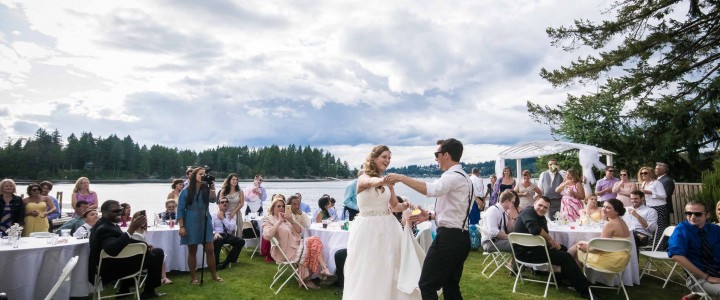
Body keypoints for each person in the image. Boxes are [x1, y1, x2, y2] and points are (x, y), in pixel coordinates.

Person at [388, 138, 472, 300]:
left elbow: (432, 190)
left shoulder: (452, 176)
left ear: (446, 155)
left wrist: (401, 178)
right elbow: (456, 210)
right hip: (462, 238)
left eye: (437, 154)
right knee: (450, 285)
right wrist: (431, 215)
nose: (435, 158)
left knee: (426, 284)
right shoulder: (465, 177)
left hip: (448, 239)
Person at [343, 144, 417, 299]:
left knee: (390, 266)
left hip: (389, 227)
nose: (387, 160)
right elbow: (370, 183)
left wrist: (406, 205)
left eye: (389, 158)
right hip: (368, 228)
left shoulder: (387, 181)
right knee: (369, 268)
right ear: (374, 158)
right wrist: (385, 180)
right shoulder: (363, 177)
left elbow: (395, 206)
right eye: (384, 157)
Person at [513, 196, 591, 298]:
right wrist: (550, 240)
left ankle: (561, 278)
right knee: (565, 257)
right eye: (540, 205)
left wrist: (554, 244)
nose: (542, 208)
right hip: (525, 253)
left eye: (545, 207)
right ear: (534, 203)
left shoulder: (542, 218)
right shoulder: (527, 211)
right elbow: (534, 230)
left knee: (563, 248)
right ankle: (586, 291)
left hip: (535, 250)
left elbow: (542, 237)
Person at [88, 200, 166, 298]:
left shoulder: (107, 224)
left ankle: (124, 290)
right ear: (104, 212)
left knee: (149, 252)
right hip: (108, 270)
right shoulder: (104, 228)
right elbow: (112, 249)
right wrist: (131, 230)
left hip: (113, 263)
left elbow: (122, 241)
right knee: (158, 253)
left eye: (120, 210)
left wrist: (144, 245)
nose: (119, 213)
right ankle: (149, 291)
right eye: (115, 211)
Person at [262, 197, 335, 289]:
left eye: (283, 206)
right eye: (278, 206)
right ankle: (309, 278)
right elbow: (267, 236)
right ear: (273, 208)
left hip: (296, 246)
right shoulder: (269, 220)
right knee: (313, 245)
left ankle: (323, 270)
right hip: (285, 252)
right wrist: (279, 221)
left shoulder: (286, 219)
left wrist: (291, 221)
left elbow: (300, 231)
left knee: (315, 242)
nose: (281, 208)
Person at [177, 167, 222, 284]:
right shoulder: (185, 191)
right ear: (194, 176)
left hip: (205, 219)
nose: (202, 176)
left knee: (210, 249)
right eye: (200, 174)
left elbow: (213, 200)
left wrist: (212, 188)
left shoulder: (205, 188)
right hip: (191, 220)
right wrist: (181, 226)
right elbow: (180, 210)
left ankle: (214, 275)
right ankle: (193, 278)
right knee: (192, 249)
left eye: (204, 174)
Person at [668, 201, 720, 299]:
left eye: (698, 214)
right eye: (688, 213)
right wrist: (707, 277)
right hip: (698, 277)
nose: (692, 216)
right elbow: (676, 255)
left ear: (707, 215)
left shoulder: (714, 230)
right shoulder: (682, 229)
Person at [569, 199, 631, 271]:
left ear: (616, 211)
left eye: (608, 208)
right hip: (622, 259)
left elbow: (599, 248)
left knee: (578, 248)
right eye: (603, 207)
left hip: (611, 260)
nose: (604, 210)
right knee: (580, 243)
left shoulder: (610, 224)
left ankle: (574, 275)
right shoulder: (622, 222)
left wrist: (587, 249)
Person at [128, 211, 173, 285]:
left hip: (143, 249)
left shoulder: (143, 230)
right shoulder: (132, 231)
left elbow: (142, 242)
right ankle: (162, 277)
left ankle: (163, 277)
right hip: (137, 254)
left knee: (162, 253)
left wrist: (148, 246)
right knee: (159, 253)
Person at [637, 166, 668, 250]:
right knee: (650, 226)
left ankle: (660, 247)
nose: (643, 174)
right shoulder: (643, 183)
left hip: (659, 207)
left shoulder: (657, 183)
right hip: (649, 207)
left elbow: (664, 196)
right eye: (641, 173)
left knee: (659, 227)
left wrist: (650, 192)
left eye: (645, 173)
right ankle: (650, 246)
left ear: (650, 173)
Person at [211, 197, 244, 270]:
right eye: (222, 202)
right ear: (218, 205)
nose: (224, 203)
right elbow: (210, 228)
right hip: (218, 234)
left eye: (226, 202)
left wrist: (223, 219)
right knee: (218, 240)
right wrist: (215, 233)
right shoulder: (213, 215)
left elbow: (231, 228)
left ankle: (227, 261)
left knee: (241, 241)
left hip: (227, 235)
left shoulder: (231, 214)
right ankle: (216, 264)